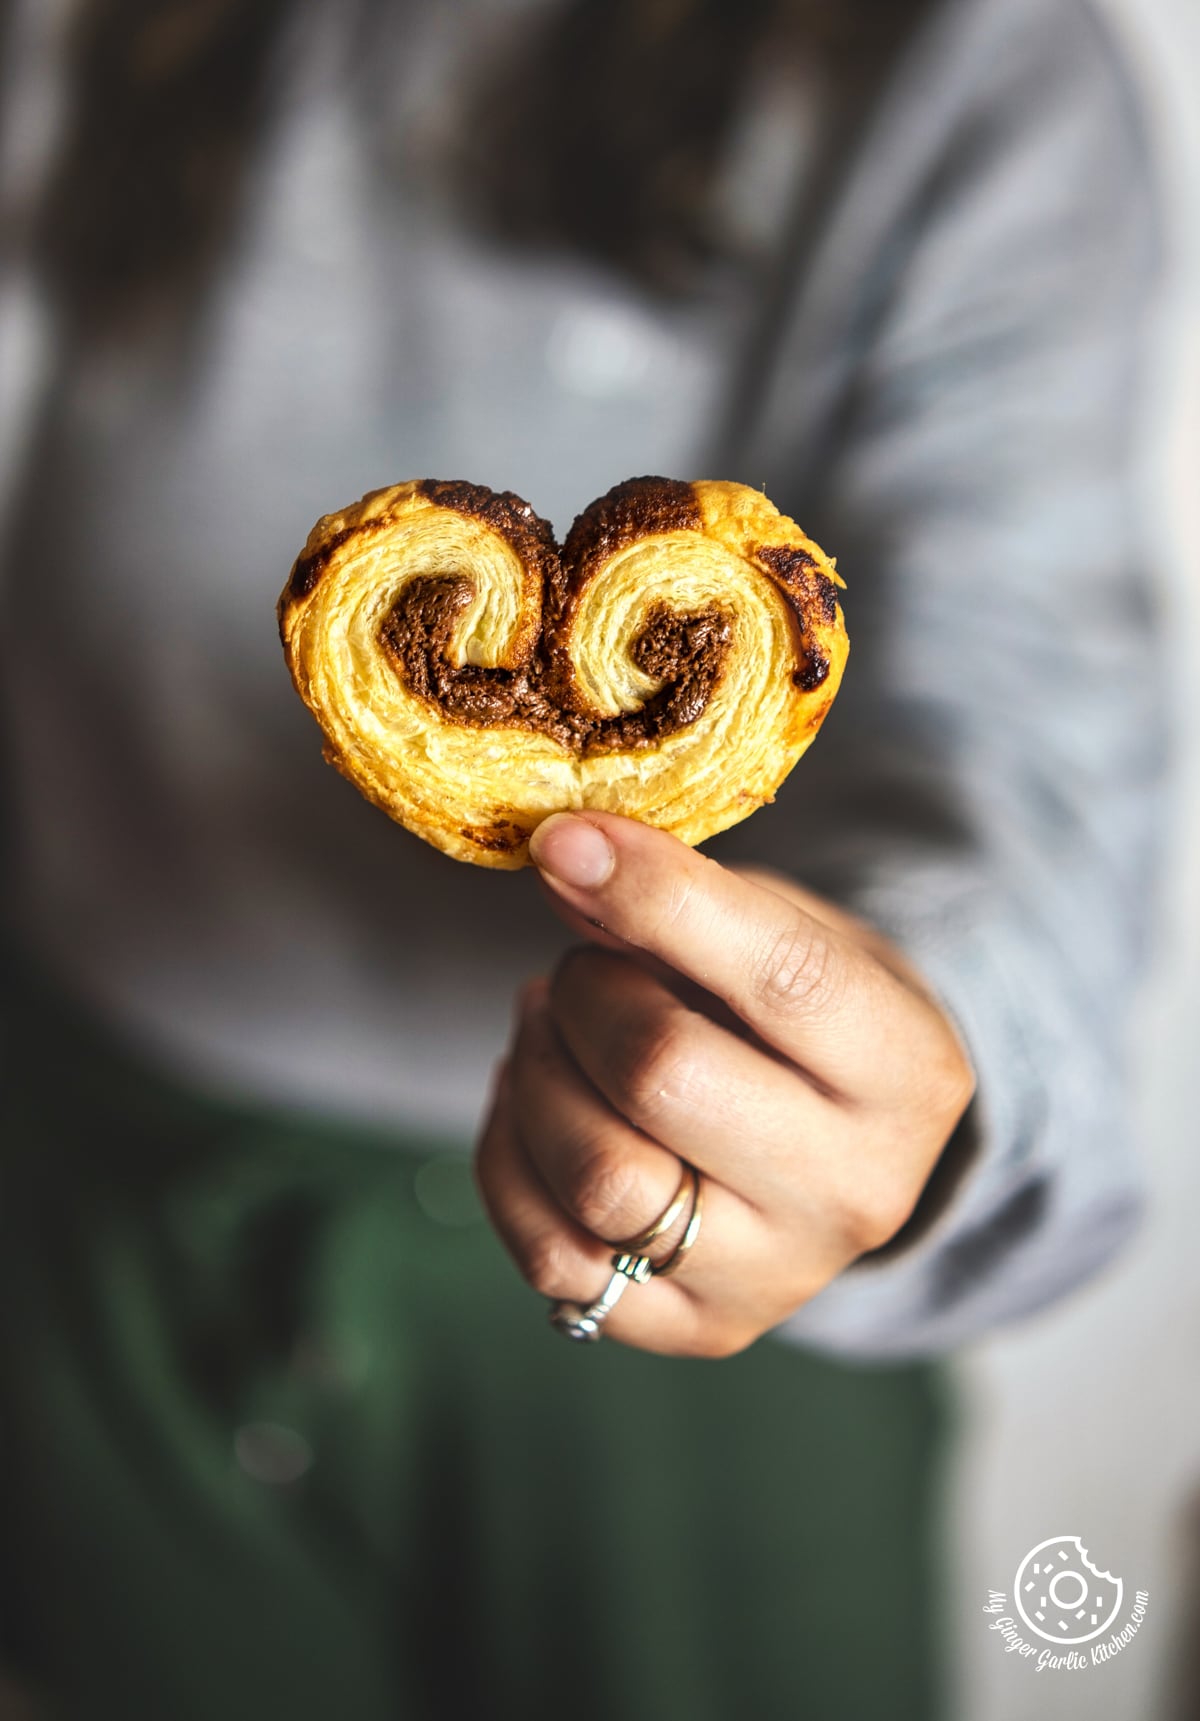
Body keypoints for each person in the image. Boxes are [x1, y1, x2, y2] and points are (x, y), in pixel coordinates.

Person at [0, 0, 1165, 1717]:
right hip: (101, 1211)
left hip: (709, 1286)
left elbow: (1028, 729)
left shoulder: (968, 62)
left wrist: (912, 1041)